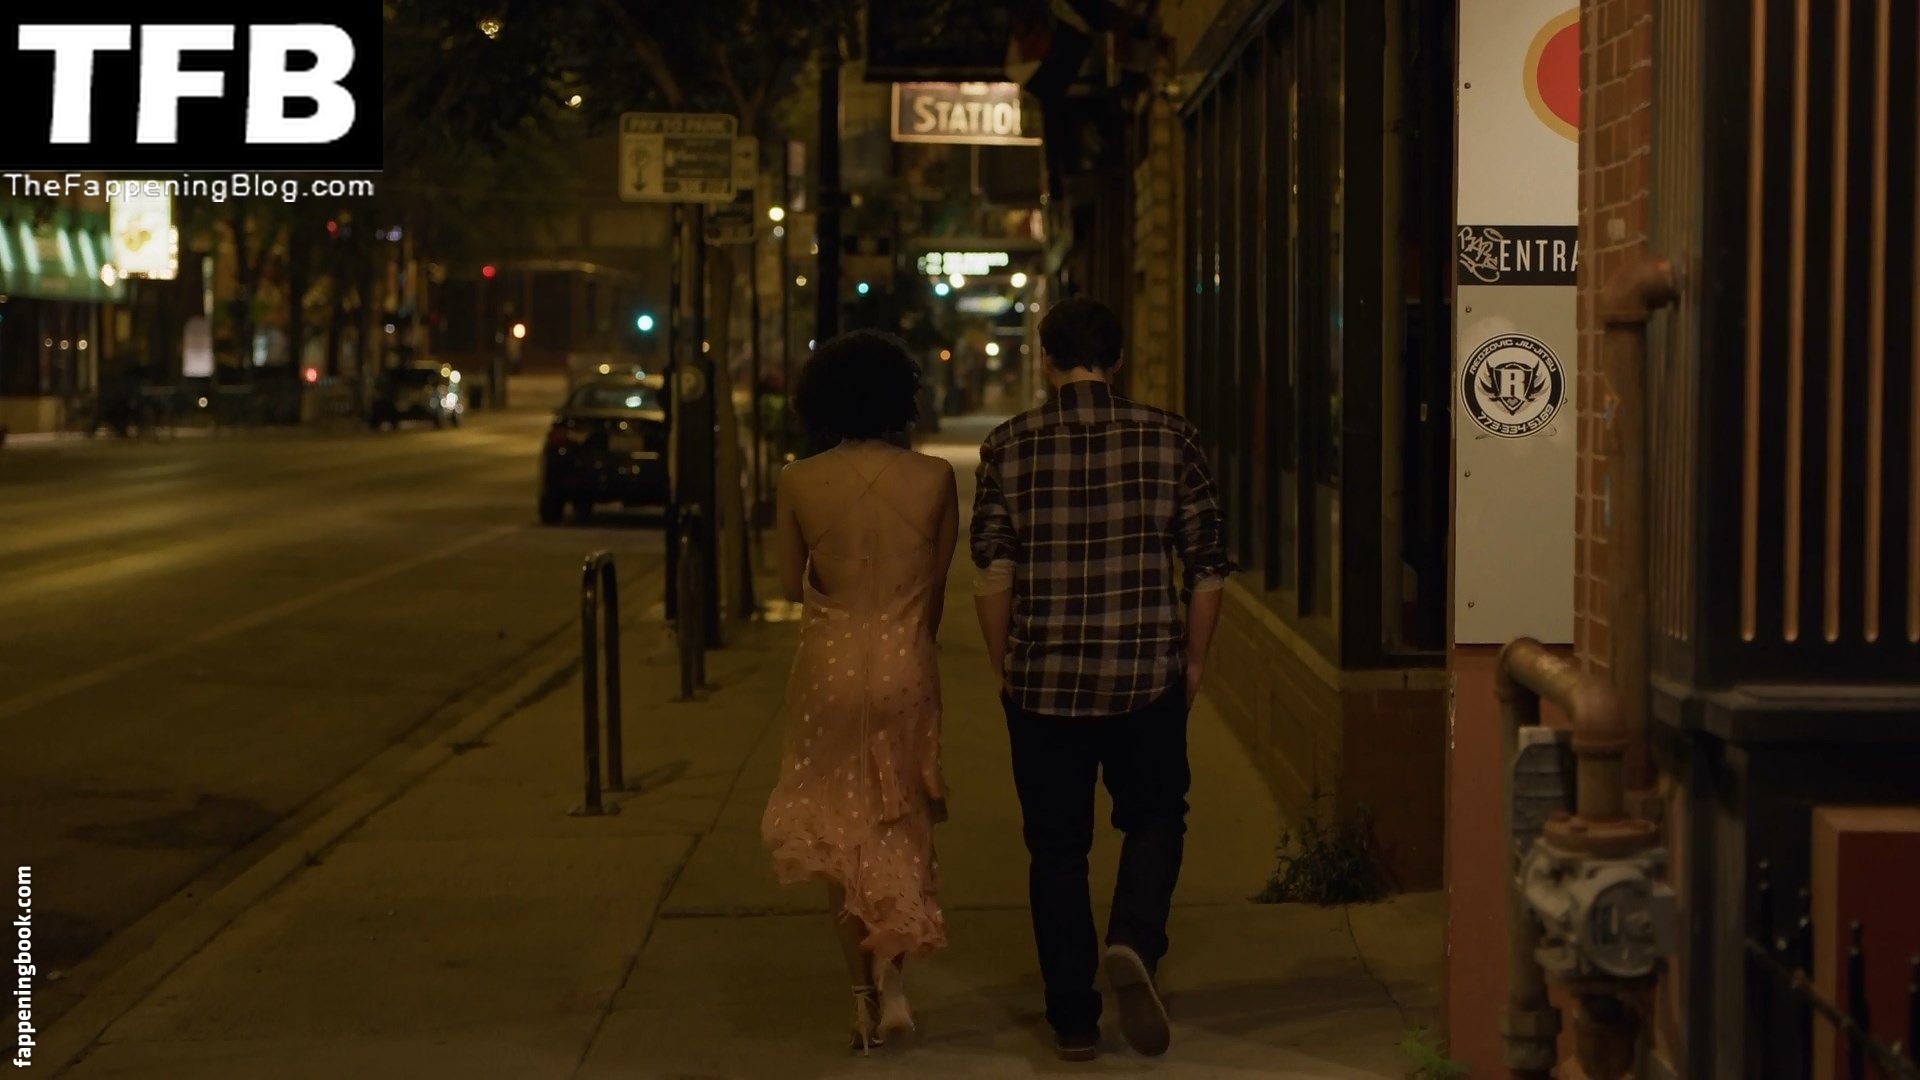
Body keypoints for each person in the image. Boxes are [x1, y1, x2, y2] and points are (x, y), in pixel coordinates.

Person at [970, 296, 1232, 1061]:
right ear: (1117, 360)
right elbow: (1207, 567)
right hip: (1144, 674)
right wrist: (1193, 660)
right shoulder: (1172, 437)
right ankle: (1134, 939)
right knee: (1155, 817)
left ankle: (1074, 1021)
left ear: (1048, 360)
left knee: (1056, 848)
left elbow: (993, 573)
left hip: (1043, 682)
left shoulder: (1007, 446)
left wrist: (1005, 665)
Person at [761, 329, 959, 1052]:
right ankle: (894, 978)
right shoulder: (934, 478)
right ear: (900, 397)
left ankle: (862, 1002)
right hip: (905, 662)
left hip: (829, 668)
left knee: (839, 832)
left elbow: (791, 584)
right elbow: (934, 592)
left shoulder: (798, 481)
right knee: (898, 821)